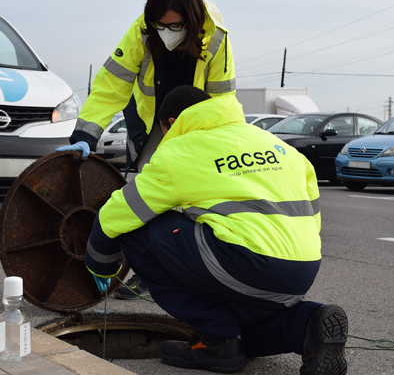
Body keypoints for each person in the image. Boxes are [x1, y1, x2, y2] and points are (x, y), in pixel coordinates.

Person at [83, 86, 348, 374]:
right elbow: (313, 218)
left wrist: (101, 265)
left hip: (245, 262)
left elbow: (117, 214)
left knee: (138, 230)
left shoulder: (180, 150)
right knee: (248, 332)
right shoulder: (279, 146)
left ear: (171, 123)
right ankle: (308, 325)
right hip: (302, 268)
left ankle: (216, 340)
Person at [58, 0, 236, 299]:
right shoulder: (141, 32)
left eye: (176, 26)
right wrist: (86, 133)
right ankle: (143, 270)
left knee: (192, 200)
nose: (167, 33)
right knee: (144, 193)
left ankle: (183, 272)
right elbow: (112, 83)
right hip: (153, 125)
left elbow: (223, 99)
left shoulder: (216, 39)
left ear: (192, 19)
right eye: (161, 25)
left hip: (198, 126)